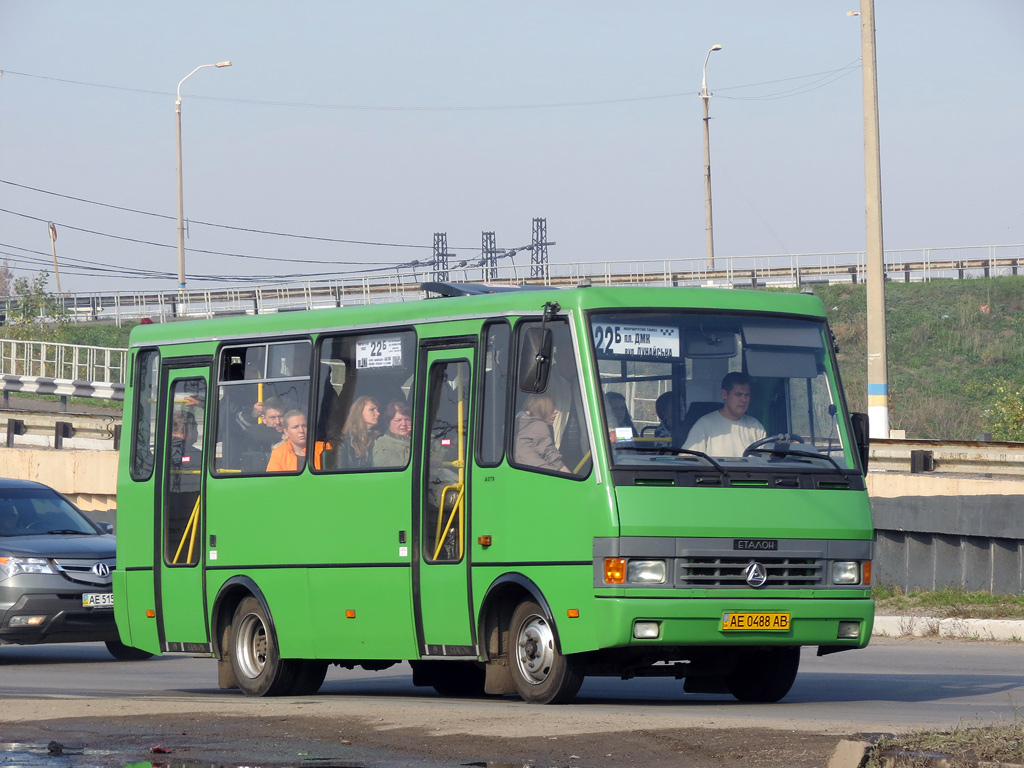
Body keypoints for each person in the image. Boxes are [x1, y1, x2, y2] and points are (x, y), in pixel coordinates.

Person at [683, 372, 766, 456]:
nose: (744, 400)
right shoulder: (704, 425)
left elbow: (766, 462)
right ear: (724, 394)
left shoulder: (755, 427)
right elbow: (689, 460)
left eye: (747, 395)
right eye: (738, 395)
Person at [515, 393, 570, 473]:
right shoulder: (538, 425)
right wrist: (568, 475)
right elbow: (550, 455)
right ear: (541, 409)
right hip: (539, 473)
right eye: (552, 408)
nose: (556, 411)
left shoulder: (517, 423)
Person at [334, 395, 380, 469]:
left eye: (377, 409)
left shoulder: (379, 439)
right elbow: (339, 471)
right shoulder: (344, 441)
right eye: (372, 409)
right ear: (359, 412)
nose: (378, 413)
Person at [373, 401, 412, 468]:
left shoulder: (424, 439)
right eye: (398, 420)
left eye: (407, 419)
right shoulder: (383, 443)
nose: (403, 424)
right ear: (389, 424)